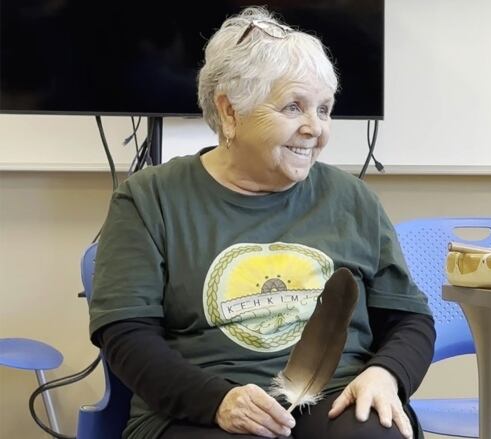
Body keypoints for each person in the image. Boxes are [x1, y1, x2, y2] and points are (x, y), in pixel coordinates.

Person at [88, 6, 435, 439]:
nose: (315, 129)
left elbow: (410, 320)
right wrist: (215, 400)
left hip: (335, 397)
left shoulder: (352, 199)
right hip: (198, 407)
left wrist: (386, 373)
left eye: (324, 110)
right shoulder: (148, 198)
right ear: (230, 112)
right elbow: (124, 334)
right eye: (294, 107)